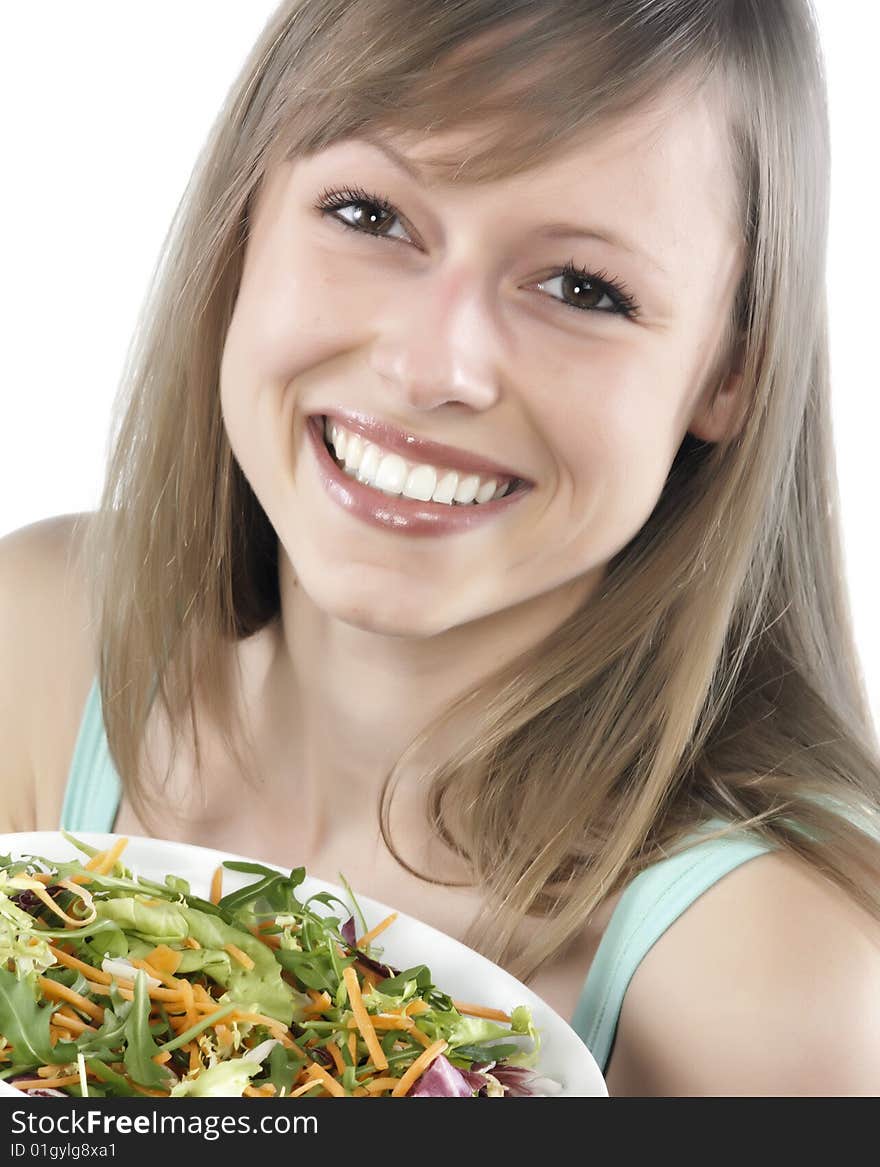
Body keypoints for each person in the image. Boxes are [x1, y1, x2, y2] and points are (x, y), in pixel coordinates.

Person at [2, 0, 879, 1096]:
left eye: (579, 288)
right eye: (369, 214)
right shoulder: (41, 645)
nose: (432, 367)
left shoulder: (781, 978)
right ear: (244, 219)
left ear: (726, 374)